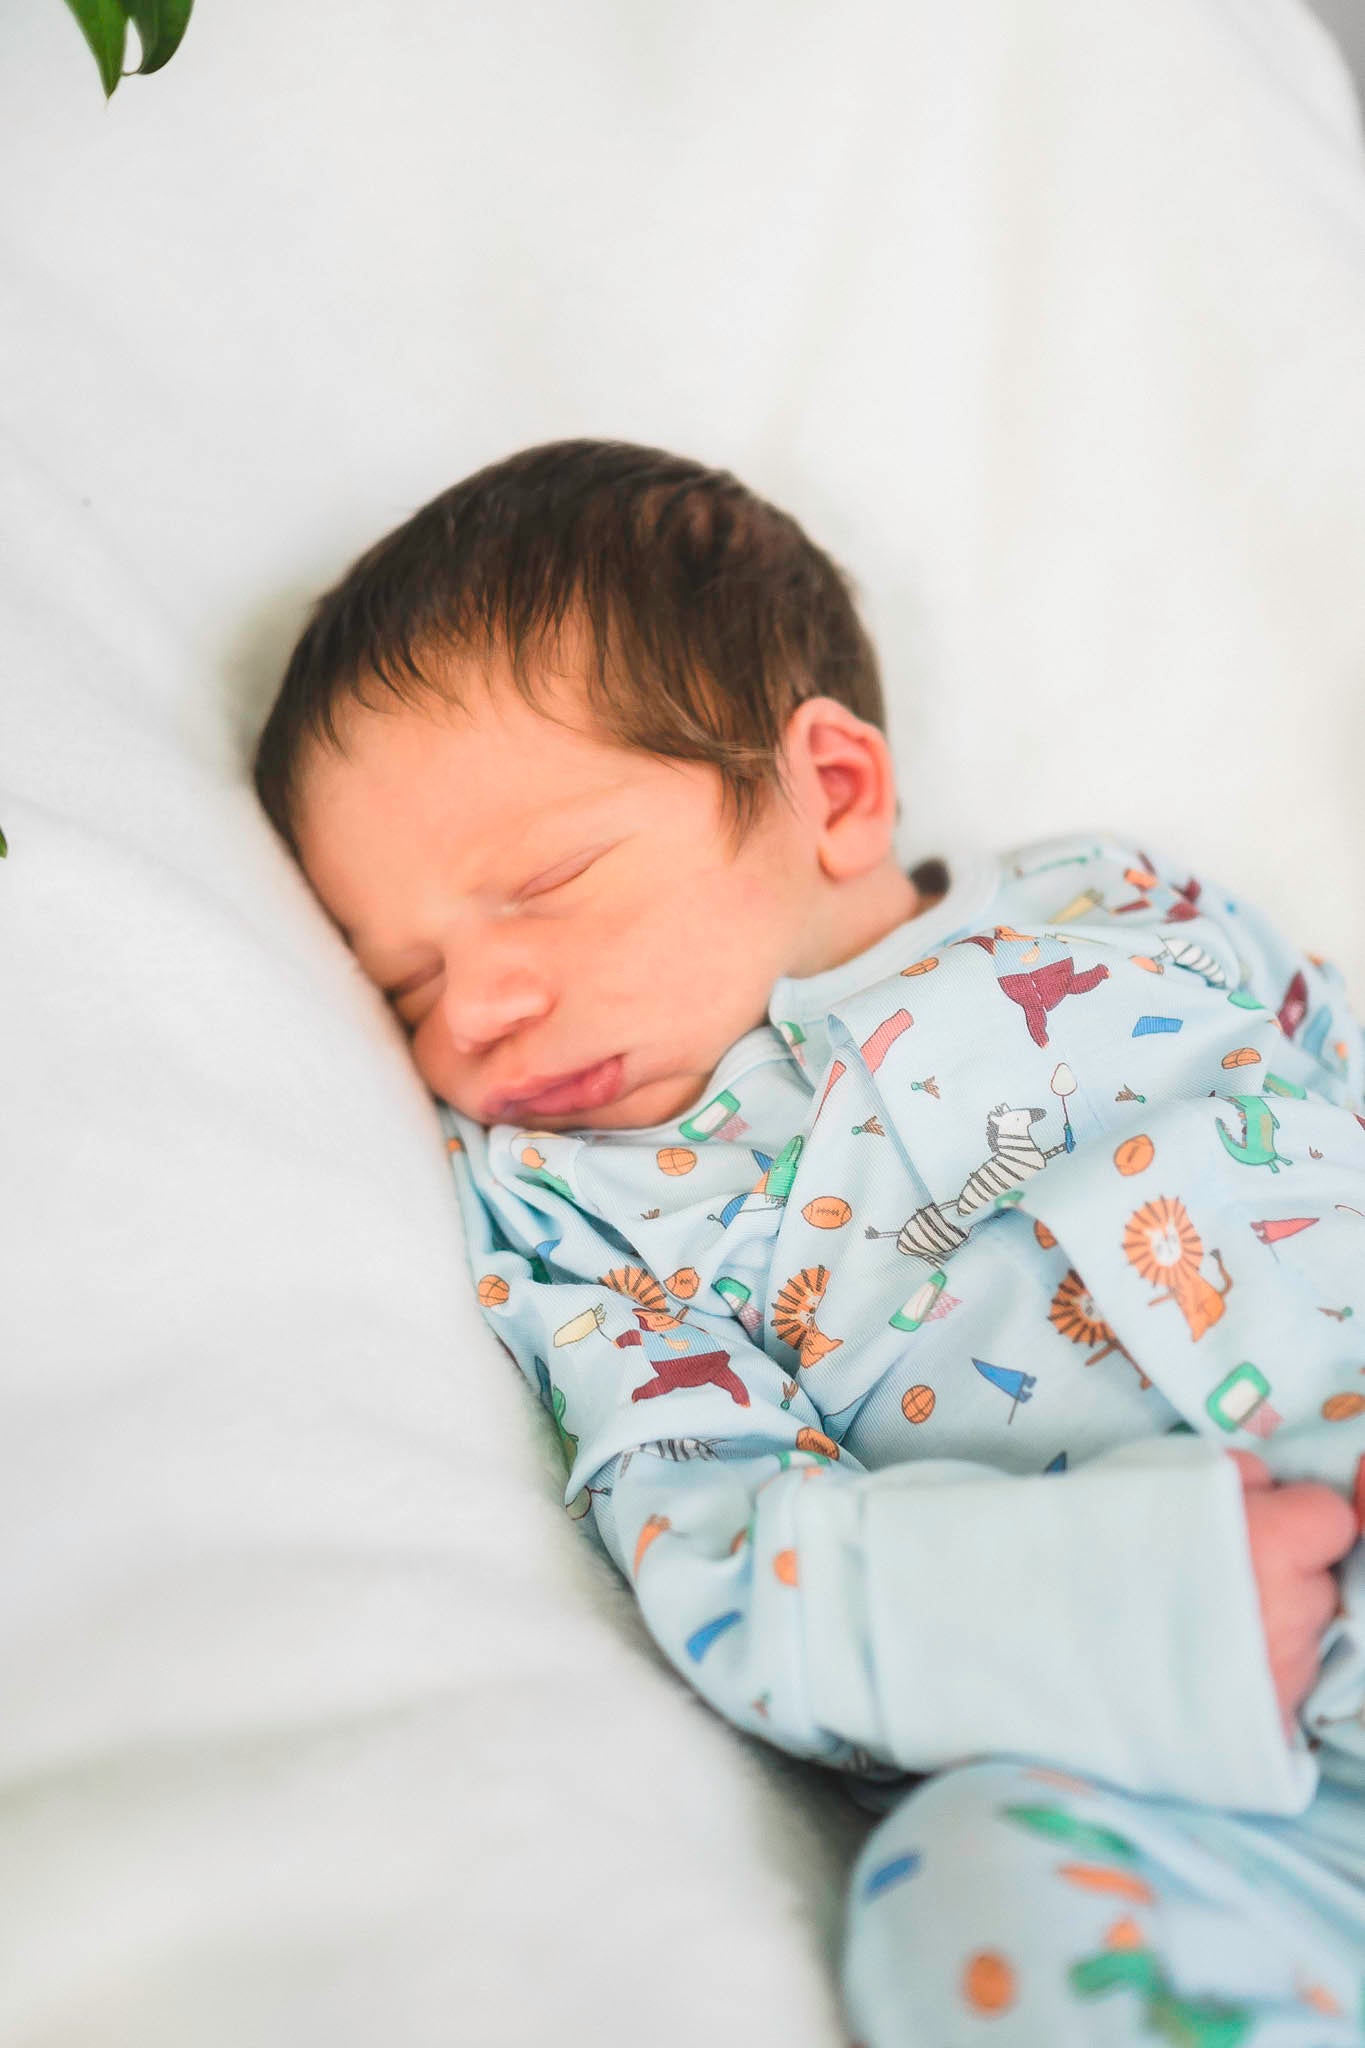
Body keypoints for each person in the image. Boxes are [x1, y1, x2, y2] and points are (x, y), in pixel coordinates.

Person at [253, 439, 1365, 2044]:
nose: (473, 1010)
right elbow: (718, 1535)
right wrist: (1132, 1614)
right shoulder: (582, 1220)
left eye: (544, 884)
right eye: (401, 981)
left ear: (830, 790)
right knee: (972, 1891)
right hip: (1241, 1808)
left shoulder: (1115, 907)